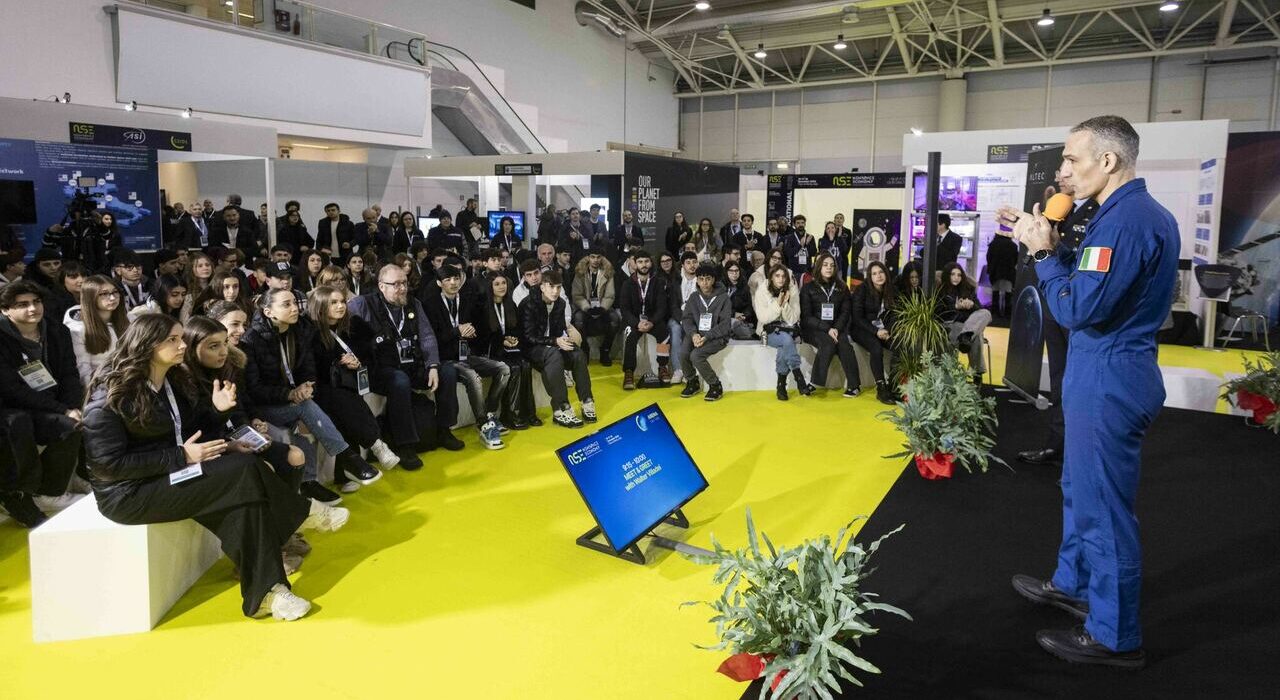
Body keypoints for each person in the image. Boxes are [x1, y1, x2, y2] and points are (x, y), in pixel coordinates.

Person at [1000, 115, 1178, 668]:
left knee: (1104, 510)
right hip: (1102, 370)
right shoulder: (1126, 214)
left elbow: (1077, 307)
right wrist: (1049, 244)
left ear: (1108, 160)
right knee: (1080, 489)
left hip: (1109, 376)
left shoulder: (1126, 222)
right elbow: (1093, 287)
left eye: (1071, 160)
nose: (1063, 171)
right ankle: (1074, 584)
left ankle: (1114, 635)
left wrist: (1042, 255)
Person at [83, 313, 348, 620]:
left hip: (169, 473)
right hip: (130, 494)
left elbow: (194, 430)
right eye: (173, 340)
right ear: (147, 345)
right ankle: (300, 513)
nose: (182, 345)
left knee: (245, 498)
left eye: (181, 338)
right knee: (243, 471)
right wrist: (181, 456)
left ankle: (268, 594)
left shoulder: (172, 381)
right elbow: (108, 466)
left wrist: (220, 418)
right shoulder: (109, 397)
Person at [241, 287, 378, 503]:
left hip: (295, 398)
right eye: (286, 304)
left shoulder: (301, 329)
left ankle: (310, 482)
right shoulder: (251, 340)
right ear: (268, 311)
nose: (295, 308)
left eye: (295, 303)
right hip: (266, 406)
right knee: (305, 407)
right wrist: (289, 394)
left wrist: (306, 385)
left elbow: (308, 367)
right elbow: (254, 389)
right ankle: (347, 457)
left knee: (309, 409)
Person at [1018, 176, 1100, 466]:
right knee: (1058, 381)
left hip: (1081, 312)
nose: (1062, 174)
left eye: (1071, 163)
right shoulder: (1060, 208)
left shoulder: (1100, 211)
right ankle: (1056, 446)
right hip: (1057, 307)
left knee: (1080, 386)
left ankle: (1078, 459)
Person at [349, 264, 463, 464]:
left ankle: (444, 430)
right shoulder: (362, 304)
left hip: (411, 364)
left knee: (447, 371)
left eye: (404, 283)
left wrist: (433, 365)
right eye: (396, 284)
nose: (402, 288)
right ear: (381, 286)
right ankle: (405, 445)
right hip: (381, 369)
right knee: (399, 380)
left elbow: (427, 336)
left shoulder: (413, 303)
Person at [0, 281, 84, 526]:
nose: (32, 309)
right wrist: (62, 409)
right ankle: (16, 494)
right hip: (10, 406)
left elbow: (69, 373)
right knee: (18, 423)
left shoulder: (57, 331)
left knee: (73, 425)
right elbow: (10, 389)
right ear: (5, 310)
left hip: (48, 403)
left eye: (36, 302)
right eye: (22, 305)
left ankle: (48, 492)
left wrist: (72, 406)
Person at [307, 286, 401, 486]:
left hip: (352, 382)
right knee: (340, 399)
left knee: (345, 402)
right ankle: (376, 444)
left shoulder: (354, 325)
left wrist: (357, 362)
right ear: (320, 306)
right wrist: (338, 362)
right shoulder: (311, 332)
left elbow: (372, 352)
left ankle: (345, 473)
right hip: (322, 387)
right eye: (333, 303)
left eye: (342, 301)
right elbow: (312, 368)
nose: (340, 306)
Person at [422, 265, 509, 449]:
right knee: (473, 377)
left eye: (456, 278)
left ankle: (490, 414)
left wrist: (473, 331)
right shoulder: (430, 304)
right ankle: (483, 424)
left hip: (466, 354)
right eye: (447, 280)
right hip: (445, 359)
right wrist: (457, 330)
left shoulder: (468, 300)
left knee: (503, 369)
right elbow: (431, 339)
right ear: (439, 283)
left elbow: (481, 329)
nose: (453, 283)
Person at [519, 270, 595, 428]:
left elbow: (559, 329)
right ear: (542, 287)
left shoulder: (560, 303)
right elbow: (528, 337)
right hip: (531, 349)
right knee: (554, 354)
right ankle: (561, 408)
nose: (555, 291)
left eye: (558, 287)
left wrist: (564, 339)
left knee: (577, 354)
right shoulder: (528, 304)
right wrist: (555, 341)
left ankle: (587, 400)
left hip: (552, 344)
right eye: (551, 286)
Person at [478, 272, 535, 429]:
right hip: (491, 351)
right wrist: (501, 341)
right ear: (489, 287)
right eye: (497, 284)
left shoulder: (510, 304)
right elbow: (482, 336)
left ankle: (528, 413)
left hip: (509, 349)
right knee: (514, 368)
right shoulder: (482, 307)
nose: (501, 286)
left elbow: (516, 329)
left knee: (525, 365)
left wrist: (513, 338)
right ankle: (510, 415)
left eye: (503, 283)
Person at [800, 253, 861, 397]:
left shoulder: (842, 287)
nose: (829, 268)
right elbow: (807, 317)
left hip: (836, 328)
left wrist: (836, 329)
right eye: (825, 265)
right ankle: (815, 383)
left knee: (845, 346)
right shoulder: (808, 288)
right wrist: (827, 329)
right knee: (828, 343)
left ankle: (854, 386)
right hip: (814, 329)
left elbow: (845, 313)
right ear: (819, 266)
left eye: (832, 266)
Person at [753, 264, 813, 401]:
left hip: (788, 330)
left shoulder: (792, 290)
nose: (781, 279)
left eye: (784, 276)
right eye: (777, 276)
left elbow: (794, 319)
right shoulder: (762, 291)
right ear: (771, 277)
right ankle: (798, 375)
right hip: (766, 333)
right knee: (786, 340)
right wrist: (778, 304)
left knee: (784, 344)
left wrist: (785, 304)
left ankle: (781, 386)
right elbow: (763, 318)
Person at [677, 262, 732, 401]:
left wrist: (707, 337)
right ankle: (692, 381)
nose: (705, 283)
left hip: (717, 336)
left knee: (696, 355)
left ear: (713, 280)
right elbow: (687, 319)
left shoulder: (723, 298)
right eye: (701, 279)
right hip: (697, 334)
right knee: (683, 353)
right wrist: (693, 334)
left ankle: (715, 385)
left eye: (708, 279)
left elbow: (725, 324)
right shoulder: (694, 297)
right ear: (697, 280)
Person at [617, 249, 671, 389]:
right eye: (640, 262)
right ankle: (629, 372)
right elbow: (624, 309)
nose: (644, 265)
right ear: (635, 264)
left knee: (664, 334)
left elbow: (662, 307)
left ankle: (662, 367)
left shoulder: (658, 282)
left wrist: (651, 322)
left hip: (653, 321)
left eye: (646, 261)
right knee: (630, 336)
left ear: (651, 263)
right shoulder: (627, 284)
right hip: (634, 322)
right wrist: (637, 323)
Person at [64, 274, 129, 385]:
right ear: (90, 297)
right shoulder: (78, 329)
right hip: (101, 385)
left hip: (130, 378)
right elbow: (83, 369)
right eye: (104, 294)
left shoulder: (129, 319)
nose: (112, 298)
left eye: (115, 292)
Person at [850, 261, 898, 404]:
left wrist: (888, 330)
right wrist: (876, 331)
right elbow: (857, 317)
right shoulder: (862, 290)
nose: (879, 276)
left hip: (884, 330)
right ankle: (881, 387)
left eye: (881, 272)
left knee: (900, 346)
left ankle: (894, 384)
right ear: (870, 277)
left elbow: (895, 314)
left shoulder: (892, 290)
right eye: (874, 274)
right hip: (862, 329)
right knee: (876, 348)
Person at [939, 262, 992, 383]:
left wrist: (972, 305)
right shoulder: (941, 291)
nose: (956, 278)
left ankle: (966, 335)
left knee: (986, 313)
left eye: (959, 275)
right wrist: (955, 307)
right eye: (953, 274)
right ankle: (977, 374)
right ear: (947, 275)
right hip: (951, 325)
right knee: (977, 336)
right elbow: (939, 313)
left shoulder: (968, 290)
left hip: (968, 324)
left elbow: (979, 311)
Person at [569, 245, 620, 366]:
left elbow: (610, 295)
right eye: (592, 257)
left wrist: (603, 308)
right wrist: (587, 307)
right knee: (578, 319)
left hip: (603, 306)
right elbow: (577, 295)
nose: (595, 260)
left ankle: (605, 350)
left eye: (598, 257)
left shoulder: (608, 272)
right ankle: (585, 349)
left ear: (602, 258)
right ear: (588, 257)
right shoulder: (580, 272)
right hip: (584, 307)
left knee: (615, 319)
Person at [667, 252, 699, 384]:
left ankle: (689, 371)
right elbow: (673, 305)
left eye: (694, 262)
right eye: (688, 262)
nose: (692, 265)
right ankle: (678, 370)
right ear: (683, 265)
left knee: (693, 331)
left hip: (695, 316)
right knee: (675, 329)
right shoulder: (675, 280)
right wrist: (681, 320)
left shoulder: (702, 279)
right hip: (678, 316)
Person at [986, 231, 1019, 318]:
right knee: (1008, 292)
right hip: (1008, 272)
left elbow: (988, 257)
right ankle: (1007, 313)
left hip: (995, 271)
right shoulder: (1013, 245)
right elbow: (1016, 259)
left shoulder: (993, 244)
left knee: (995, 291)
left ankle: (995, 312)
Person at [723, 260, 755, 340]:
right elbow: (720, 307)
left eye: (736, 271)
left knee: (741, 327)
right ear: (726, 272)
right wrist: (734, 314)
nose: (734, 273)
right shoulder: (721, 286)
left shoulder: (744, 285)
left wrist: (744, 315)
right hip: (725, 318)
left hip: (741, 318)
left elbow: (749, 306)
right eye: (731, 271)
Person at [782, 215, 818, 282]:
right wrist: (800, 246)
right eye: (798, 223)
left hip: (807, 270)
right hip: (794, 270)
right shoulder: (789, 238)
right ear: (794, 225)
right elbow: (788, 254)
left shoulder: (810, 237)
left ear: (805, 224)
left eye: (802, 223)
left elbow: (814, 253)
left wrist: (807, 244)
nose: (800, 225)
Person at [182, 252, 215, 321]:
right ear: (191, 269)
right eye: (200, 266)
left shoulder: (216, 286)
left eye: (207, 265)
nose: (205, 268)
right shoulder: (187, 290)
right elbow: (184, 319)